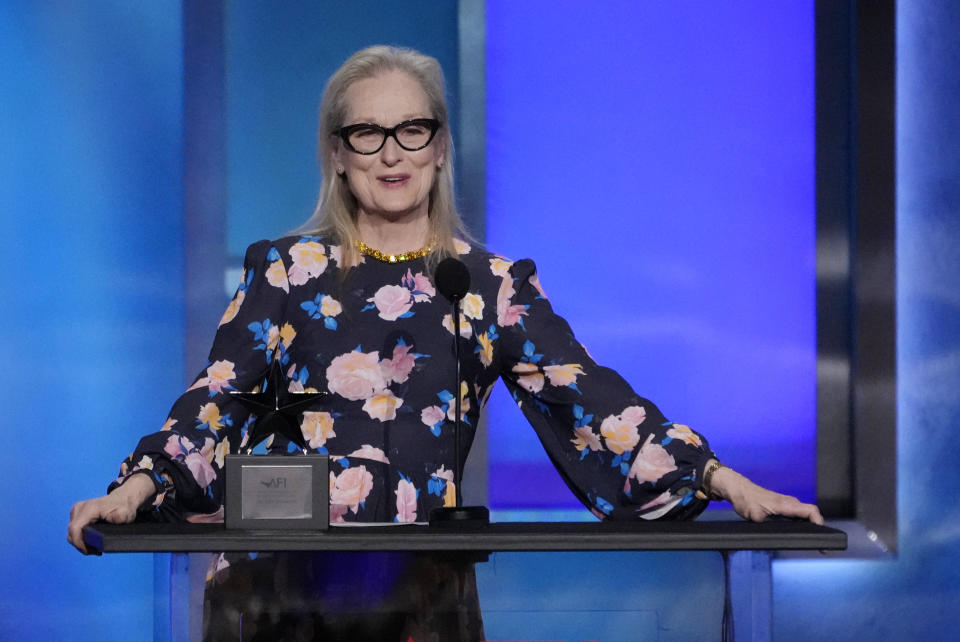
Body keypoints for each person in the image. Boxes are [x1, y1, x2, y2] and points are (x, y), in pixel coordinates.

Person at [68, 45, 822, 640]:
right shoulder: (288, 272)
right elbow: (218, 402)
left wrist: (722, 480)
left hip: (420, 601)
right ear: (338, 153)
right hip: (280, 598)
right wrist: (136, 489)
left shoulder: (488, 286)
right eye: (368, 133)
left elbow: (590, 398)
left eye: (412, 131)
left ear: (438, 148)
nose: (391, 154)